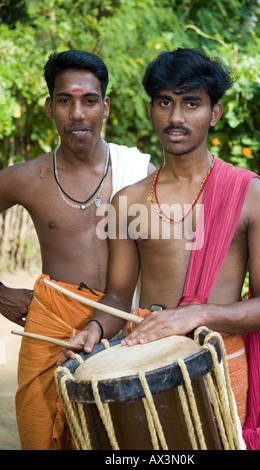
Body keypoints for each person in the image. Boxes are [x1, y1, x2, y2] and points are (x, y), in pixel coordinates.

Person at [61, 48, 260, 450]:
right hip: (144, 366)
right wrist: (95, 330)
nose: (176, 117)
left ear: (215, 112)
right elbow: (119, 294)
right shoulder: (127, 201)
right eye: (165, 103)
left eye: (191, 103)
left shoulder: (254, 196)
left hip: (220, 360)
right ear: (151, 109)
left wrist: (195, 314)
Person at [0, 49, 155, 450]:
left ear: (105, 106)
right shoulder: (25, 178)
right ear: (50, 107)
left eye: (89, 100)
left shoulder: (140, 175)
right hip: (51, 329)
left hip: (126, 327)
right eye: (65, 100)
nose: (78, 113)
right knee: (41, 436)